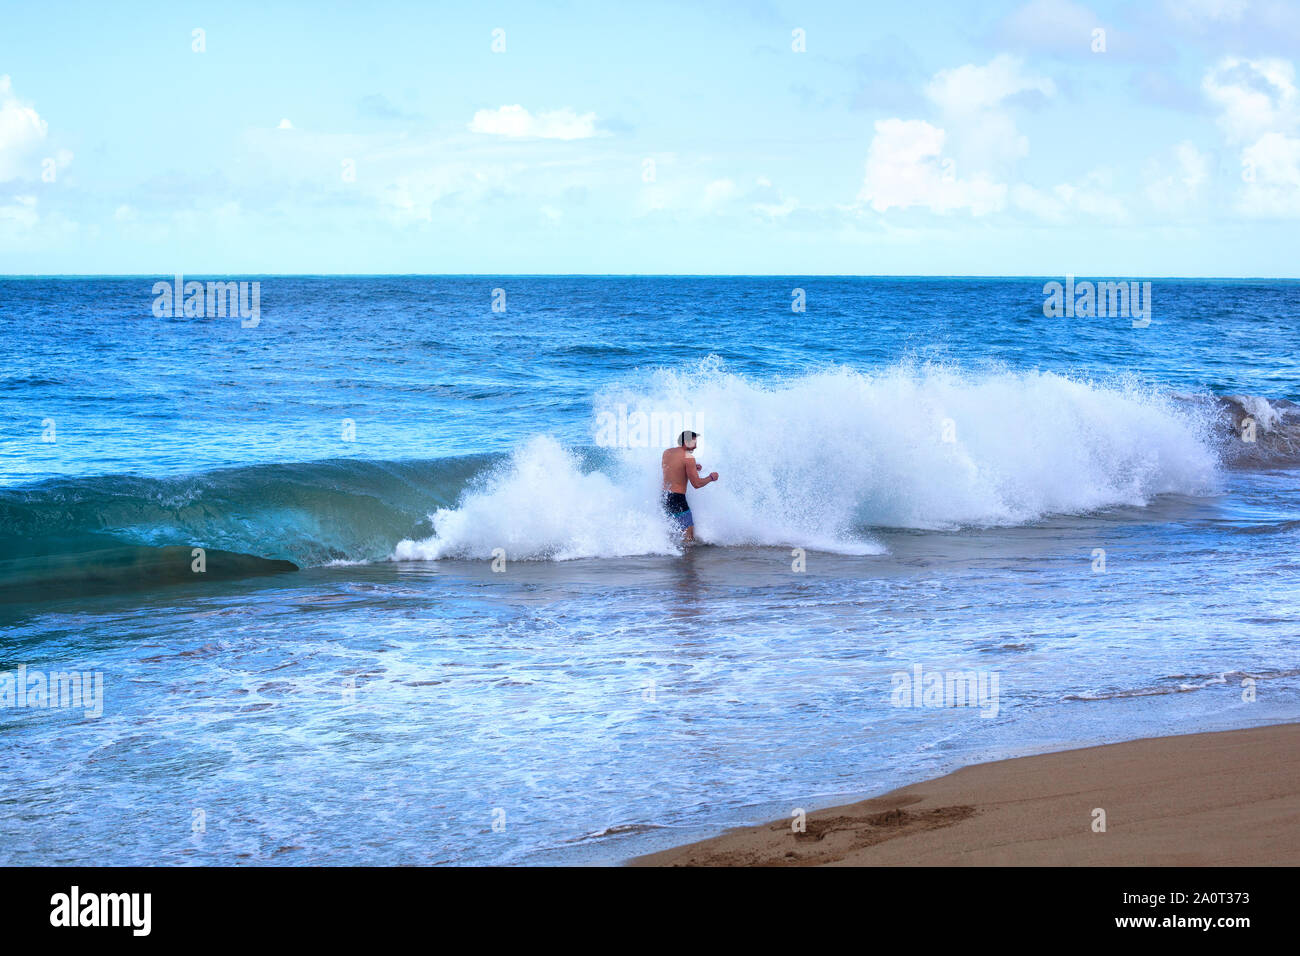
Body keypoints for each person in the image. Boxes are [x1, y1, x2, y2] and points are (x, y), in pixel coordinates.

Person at [661, 430, 718, 543]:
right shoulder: (688, 458)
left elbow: (671, 469)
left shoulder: (667, 452)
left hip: (665, 497)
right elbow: (697, 484)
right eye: (694, 443)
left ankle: (672, 556)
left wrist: (691, 468)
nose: (696, 446)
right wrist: (711, 478)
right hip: (678, 499)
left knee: (674, 532)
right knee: (689, 535)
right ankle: (686, 560)